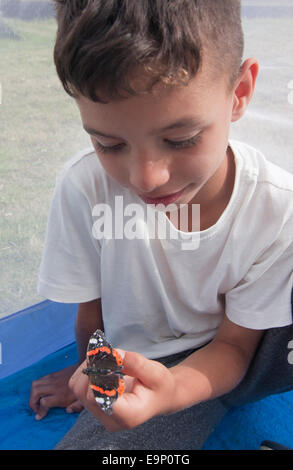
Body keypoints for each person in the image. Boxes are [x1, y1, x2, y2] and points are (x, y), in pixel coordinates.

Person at [29, 0, 293, 449]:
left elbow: (234, 348)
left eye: (181, 139)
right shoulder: (83, 190)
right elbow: (90, 320)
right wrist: (98, 377)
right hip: (149, 361)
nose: (145, 178)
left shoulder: (276, 208)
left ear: (240, 92)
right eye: (109, 144)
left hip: (252, 352)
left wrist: (176, 391)